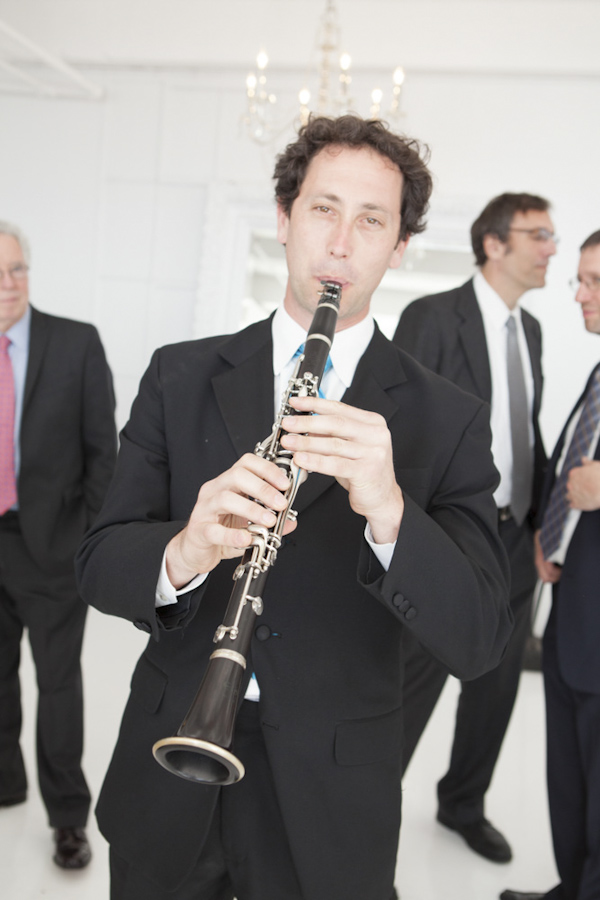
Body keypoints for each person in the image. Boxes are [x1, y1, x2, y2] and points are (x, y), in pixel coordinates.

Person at [76, 115, 512, 900]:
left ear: (399, 247)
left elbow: (479, 637)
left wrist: (389, 511)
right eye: (323, 209)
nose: (342, 242)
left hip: (330, 800)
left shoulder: (447, 417)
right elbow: (99, 562)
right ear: (283, 220)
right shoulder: (178, 376)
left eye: (371, 220)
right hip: (166, 769)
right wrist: (185, 551)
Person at [393, 193, 555, 862]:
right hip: (446, 545)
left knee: (495, 689)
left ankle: (463, 803)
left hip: (515, 543)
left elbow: (521, 434)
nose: (551, 249)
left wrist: (549, 519)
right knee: (406, 691)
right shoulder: (431, 319)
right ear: (494, 243)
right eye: (538, 234)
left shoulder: (533, 331)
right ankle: (361, 816)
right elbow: (397, 435)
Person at [0, 221, 117, 868]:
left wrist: (91, 543)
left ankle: (68, 817)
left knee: (58, 685)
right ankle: (6, 781)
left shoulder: (74, 344)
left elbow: (105, 453)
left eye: (18, 269)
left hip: (50, 545)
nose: (9, 284)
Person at [501, 230, 600, 900]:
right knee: (571, 778)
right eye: (581, 279)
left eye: (593, 282)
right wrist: (548, 536)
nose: (578, 294)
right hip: (574, 613)